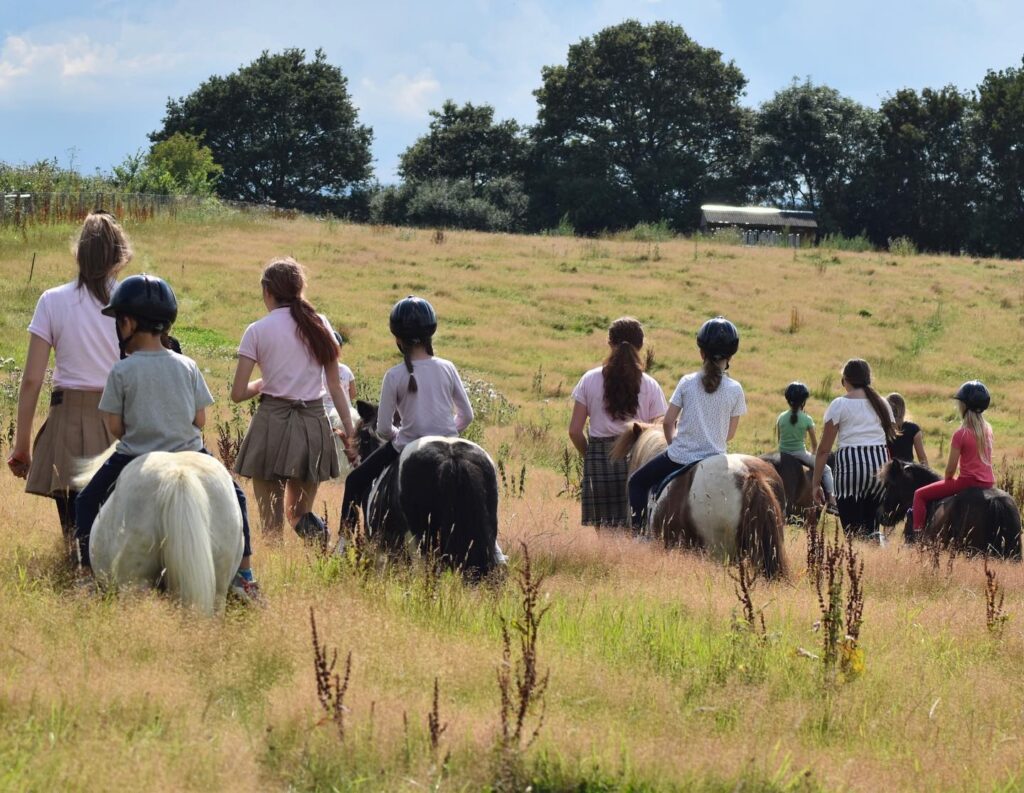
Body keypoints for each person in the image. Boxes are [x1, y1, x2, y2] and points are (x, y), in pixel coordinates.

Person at [73, 274, 260, 600]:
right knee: (237, 496)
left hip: (134, 454)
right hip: (193, 452)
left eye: (119, 321)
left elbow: (115, 428)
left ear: (128, 323)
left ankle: (87, 576)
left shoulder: (121, 371)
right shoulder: (188, 365)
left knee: (86, 500)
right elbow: (200, 419)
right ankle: (244, 575)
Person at [7, 211, 130, 554]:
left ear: (78, 253)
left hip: (66, 418)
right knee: (114, 516)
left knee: (72, 528)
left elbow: (32, 380)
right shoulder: (129, 301)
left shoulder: (52, 301)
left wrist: (22, 446)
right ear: (119, 257)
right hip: (118, 419)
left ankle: (78, 573)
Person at [231, 258, 357, 545]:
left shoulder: (257, 330)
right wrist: (350, 430)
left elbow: (238, 393)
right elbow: (335, 387)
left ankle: (276, 574)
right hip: (312, 426)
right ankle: (323, 553)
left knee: (270, 525)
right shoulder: (320, 323)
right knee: (300, 513)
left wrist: (264, 383)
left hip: (271, 423)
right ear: (299, 290)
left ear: (268, 291)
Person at [341, 295, 473, 529]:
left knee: (354, 481)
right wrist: (448, 430)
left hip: (406, 442)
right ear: (430, 334)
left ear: (397, 339)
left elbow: (382, 429)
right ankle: (493, 547)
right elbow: (467, 415)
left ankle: (344, 544)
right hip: (449, 440)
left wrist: (401, 435)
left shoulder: (394, 375)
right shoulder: (448, 367)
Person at [627, 317, 746, 532]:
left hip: (679, 458)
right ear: (730, 356)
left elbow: (668, 422)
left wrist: (675, 444)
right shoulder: (736, 389)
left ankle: (639, 535)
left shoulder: (687, 382)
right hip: (716, 460)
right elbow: (729, 435)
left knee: (637, 482)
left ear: (702, 353)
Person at [568, 317, 667, 527]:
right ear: (640, 346)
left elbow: (575, 431)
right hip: (638, 459)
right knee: (636, 527)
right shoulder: (650, 385)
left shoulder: (589, 379)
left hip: (599, 461)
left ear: (609, 343)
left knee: (604, 531)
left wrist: (591, 455)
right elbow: (661, 430)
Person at [811, 359, 897, 539]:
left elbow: (824, 450)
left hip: (850, 470)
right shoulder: (883, 404)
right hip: (879, 471)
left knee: (853, 536)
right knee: (872, 531)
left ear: (846, 380)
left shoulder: (839, 405)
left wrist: (816, 483)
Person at [910, 381, 995, 534]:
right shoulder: (988, 430)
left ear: (964, 406)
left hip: (966, 483)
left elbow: (950, 470)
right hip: (988, 483)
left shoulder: (960, 434)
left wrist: (948, 479)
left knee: (919, 495)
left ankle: (918, 537)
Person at [776, 381, 837, 510]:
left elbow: (779, 440)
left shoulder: (781, 417)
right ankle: (831, 500)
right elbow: (815, 444)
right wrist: (814, 453)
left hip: (782, 453)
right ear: (803, 401)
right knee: (826, 470)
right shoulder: (807, 419)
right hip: (800, 453)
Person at [325, 330, 358, 478]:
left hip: (325, 410)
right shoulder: (346, 370)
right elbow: (353, 394)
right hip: (348, 411)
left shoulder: (319, 370)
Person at [886, 392, 929, 466]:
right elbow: (922, 458)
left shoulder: (882, 428)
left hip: (888, 471)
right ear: (903, 409)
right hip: (908, 472)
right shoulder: (914, 429)